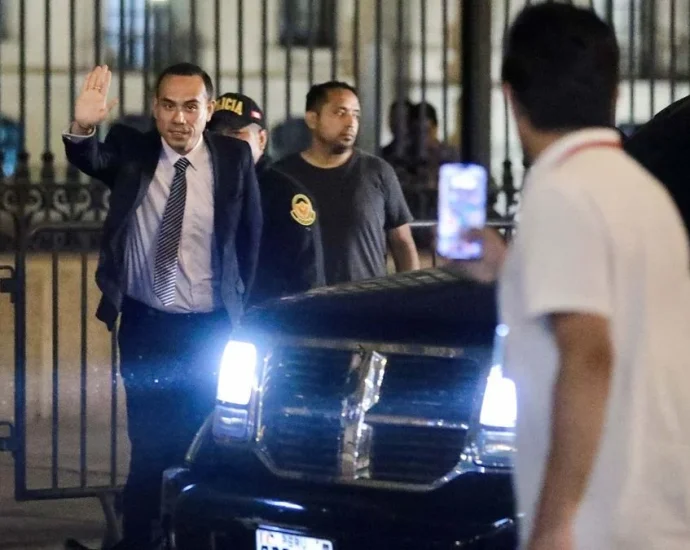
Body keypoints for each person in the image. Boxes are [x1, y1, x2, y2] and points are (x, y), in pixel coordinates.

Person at [498, 4, 690, 550]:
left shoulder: (561, 191)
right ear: (615, 94)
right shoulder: (642, 191)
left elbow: (588, 356)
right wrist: (504, 268)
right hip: (661, 507)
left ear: (511, 98)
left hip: (601, 518)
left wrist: (557, 521)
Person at [62, 63, 262, 549]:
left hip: (212, 331)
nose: (179, 118)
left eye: (191, 106)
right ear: (155, 109)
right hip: (147, 327)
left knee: (210, 446)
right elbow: (91, 157)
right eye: (169, 106)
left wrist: (247, 314)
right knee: (149, 447)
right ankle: (139, 541)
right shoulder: (133, 149)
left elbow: (251, 237)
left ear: (208, 111)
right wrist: (83, 126)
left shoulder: (234, 157)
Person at [274, 81, 420, 285]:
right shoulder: (282, 176)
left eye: (355, 114)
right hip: (303, 301)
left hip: (366, 299)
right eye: (340, 112)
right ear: (312, 119)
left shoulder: (377, 172)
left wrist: (411, 292)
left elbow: (403, 243)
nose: (351, 122)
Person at [208, 92, 325, 304]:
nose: (224, 142)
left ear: (261, 139)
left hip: (268, 316)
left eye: (235, 133)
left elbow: (305, 279)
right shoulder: (200, 188)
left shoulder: (286, 195)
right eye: (216, 135)